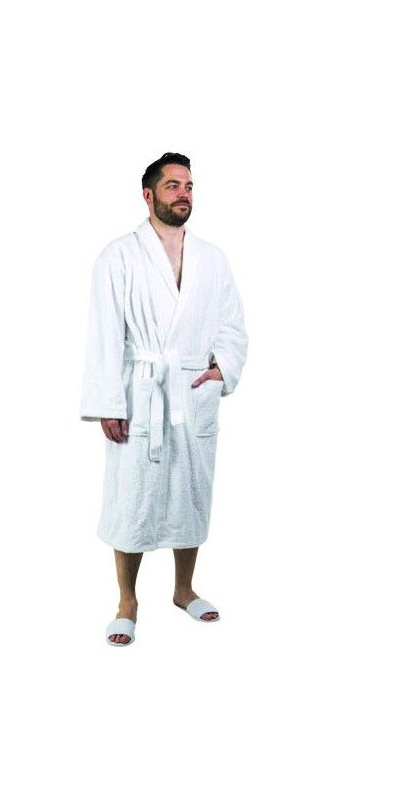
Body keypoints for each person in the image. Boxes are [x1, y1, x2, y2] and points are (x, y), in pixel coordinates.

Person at [79, 152, 248, 646]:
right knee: (131, 498)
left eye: (189, 186)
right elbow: (104, 333)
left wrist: (222, 368)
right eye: (173, 186)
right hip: (141, 393)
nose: (183, 194)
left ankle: (183, 589)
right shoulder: (119, 255)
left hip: (192, 391)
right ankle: (127, 601)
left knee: (192, 492)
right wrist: (109, 402)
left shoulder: (212, 258)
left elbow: (232, 324)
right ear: (148, 195)